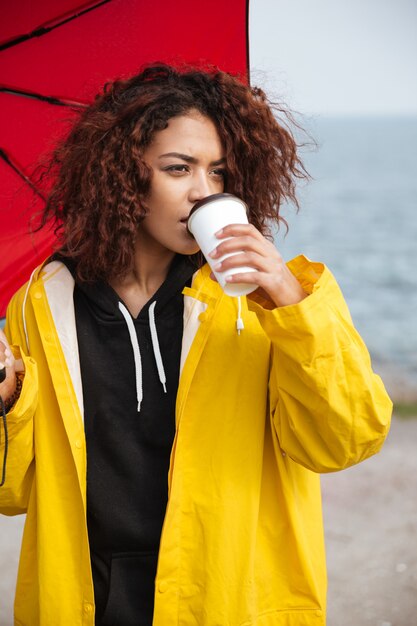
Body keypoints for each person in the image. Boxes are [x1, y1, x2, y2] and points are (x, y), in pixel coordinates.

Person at [0, 64, 392, 626]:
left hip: (226, 593)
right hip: (90, 593)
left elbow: (345, 440)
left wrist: (288, 298)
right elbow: (12, 490)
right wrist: (7, 391)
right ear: (121, 174)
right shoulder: (44, 301)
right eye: (178, 168)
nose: (203, 193)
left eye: (219, 172)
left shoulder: (266, 305)